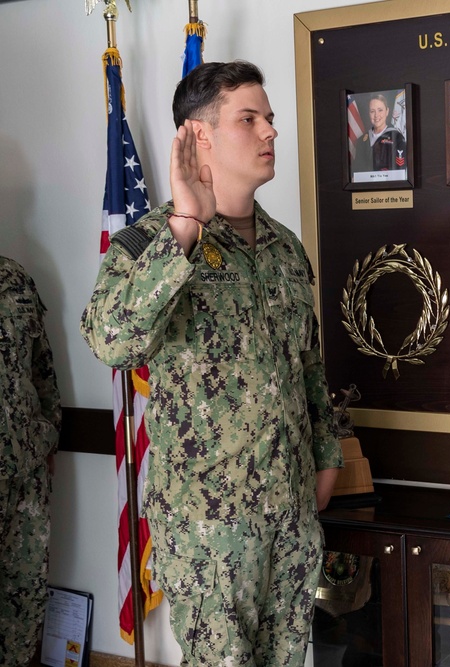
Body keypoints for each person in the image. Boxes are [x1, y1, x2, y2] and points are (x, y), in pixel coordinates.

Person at [81, 61, 343, 666]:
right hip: (209, 531)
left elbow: (308, 363)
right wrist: (184, 229)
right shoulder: (153, 241)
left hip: (290, 515)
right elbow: (111, 341)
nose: (270, 132)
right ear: (198, 135)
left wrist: (326, 452)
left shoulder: (284, 247)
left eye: (270, 119)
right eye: (249, 119)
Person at [1, 257, 61, 667]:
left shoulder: (14, 278)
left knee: (23, 594)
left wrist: (49, 432)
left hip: (26, 469)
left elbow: (41, 368)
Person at [352, 93, 406, 174]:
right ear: (369, 113)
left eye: (380, 110)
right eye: (372, 111)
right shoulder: (361, 141)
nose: (376, 115)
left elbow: (400, 170)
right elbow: (356, 172)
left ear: (387, 111)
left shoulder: (397, 138)